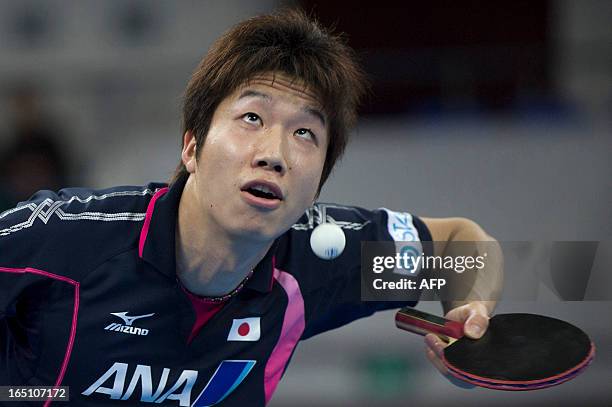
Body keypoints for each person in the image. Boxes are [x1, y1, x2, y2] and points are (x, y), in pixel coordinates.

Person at [0, 9, 502, 406]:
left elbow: (466, 249)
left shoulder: (318, 264)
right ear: (192, 147)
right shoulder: (66, 240)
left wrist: (468, 314)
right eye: (251, 117)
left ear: (317, 186)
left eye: (305, 133)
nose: (275, 154)